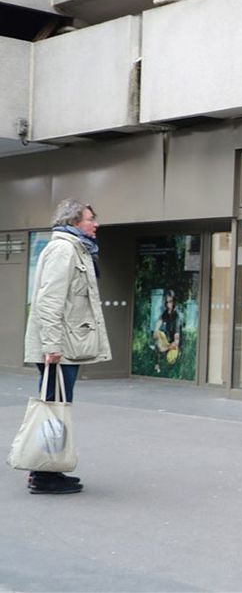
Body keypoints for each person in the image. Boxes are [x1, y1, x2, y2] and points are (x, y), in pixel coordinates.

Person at [23, 199, 111, 495]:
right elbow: (49, 302)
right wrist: (52, 345)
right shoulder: (64, 250)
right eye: (90, 219)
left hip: (65, 345)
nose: (96, 223)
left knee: (57, 408)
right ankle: (43, 474)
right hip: (59, 347)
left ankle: (50, 470)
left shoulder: (77, 249)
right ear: (74, 222)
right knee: (53, 409)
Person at [153, 289, 182, 374]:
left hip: (175, 347)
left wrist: (164, 349)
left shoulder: (177, 317)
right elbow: (159, 322)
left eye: (170, 301)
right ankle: (157, 365)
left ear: (174, 302)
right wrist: (156, 330)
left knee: (170, 359)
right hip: (168, 343)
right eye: (167, 302)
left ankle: (167, 368)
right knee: (158, 333)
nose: (168, 304)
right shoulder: (167, 313)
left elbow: (176, 342)